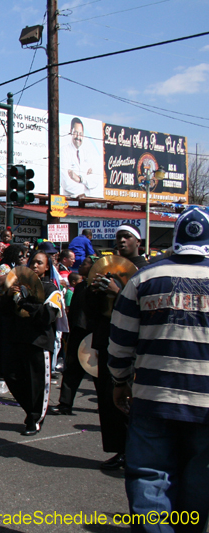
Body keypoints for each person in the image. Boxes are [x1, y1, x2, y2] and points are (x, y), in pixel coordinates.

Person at [109, 207, 209, 532]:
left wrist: (119, 381)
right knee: (200, 483)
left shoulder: (144, 278)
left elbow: (120, 342)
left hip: (152, 398)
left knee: (149, 479)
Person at [84, 224, 148, 471]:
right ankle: (120, 449)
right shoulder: (107, 268)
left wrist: (118, 292)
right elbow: (91, 310)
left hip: (131, 344)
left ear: (138, 242)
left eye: (127, 237)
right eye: (119, 237)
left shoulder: (145, 271)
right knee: (107, 399)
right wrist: (93, 292)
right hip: (107, 338)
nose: (121, 241)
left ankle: (135, 451)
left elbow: (141, 307)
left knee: (128, 399)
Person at [0, 250, 63, 436]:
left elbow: (47, 316)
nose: (35, 265)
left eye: (39, 263)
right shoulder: (18, 284)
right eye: (33, 262)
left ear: (47, 267)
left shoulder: (51, 288)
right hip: (17, 338)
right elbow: (4, 312)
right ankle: (31, 410)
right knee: (11, 375)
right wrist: (9, 296)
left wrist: (24, 301)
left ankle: (35, 419)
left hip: (38, 342)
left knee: (37, 382)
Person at [50, 255, 96, 416]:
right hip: (77, 332)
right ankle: (65, 404)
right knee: (72, 370)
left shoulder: (97, 287)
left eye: (84, 264)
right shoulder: (81, 285)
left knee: (98, 371)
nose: (80, 265)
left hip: (93, 333)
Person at [61, 118, 101, 198]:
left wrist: (80, 179)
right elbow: (66, 182)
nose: (78, 137)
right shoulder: (64, 150)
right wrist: (86, 189)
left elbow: (95, 180)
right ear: (70, 132)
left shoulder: (87, 153)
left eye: (81, 134)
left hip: (86, 202)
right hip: (69, 201)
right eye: (76, 133)